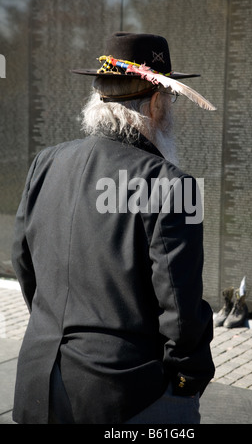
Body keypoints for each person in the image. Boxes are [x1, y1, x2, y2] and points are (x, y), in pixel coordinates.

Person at [12, 32, 215, 424]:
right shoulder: (172, 184)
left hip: (38, 386)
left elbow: (24, 265)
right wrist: (189, 378)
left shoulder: (45, 162)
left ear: (99, 95)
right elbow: (179, 307)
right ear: (157, 102)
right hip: (127, 395)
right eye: (170, 98)